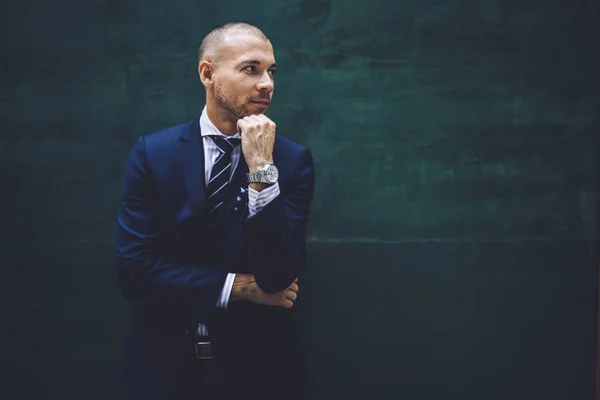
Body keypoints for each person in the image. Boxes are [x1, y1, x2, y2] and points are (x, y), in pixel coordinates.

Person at [115, 22, 316, 400]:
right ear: (208, 74)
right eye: (250, 69)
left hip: (260, 373)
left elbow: (278, 277)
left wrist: (261, 170)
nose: (267, 83)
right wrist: (237, 288)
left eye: (272, 71)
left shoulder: (290, 160)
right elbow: (134, 272)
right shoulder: (153, 154)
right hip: (162, 371)